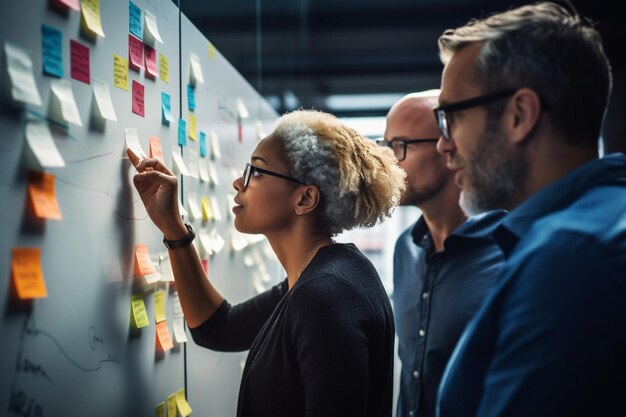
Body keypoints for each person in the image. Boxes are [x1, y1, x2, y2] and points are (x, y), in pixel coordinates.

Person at [127, 109, 406, 417]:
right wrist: (174, 229)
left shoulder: (326, 294)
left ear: (304, 199)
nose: (237, 182)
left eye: (255, 172)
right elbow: (219, 328)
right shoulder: (316, 278)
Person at [434, 3, 626, 416]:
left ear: (520, 114)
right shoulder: (597, 226)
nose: (444, 145)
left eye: (452, 116)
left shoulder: (572, 254)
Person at [381, 91, 505, 417]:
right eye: (385, 146)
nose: (388, 161)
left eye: (400, 146)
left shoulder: (509, 249)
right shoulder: (404, 249)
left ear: (450, 146)